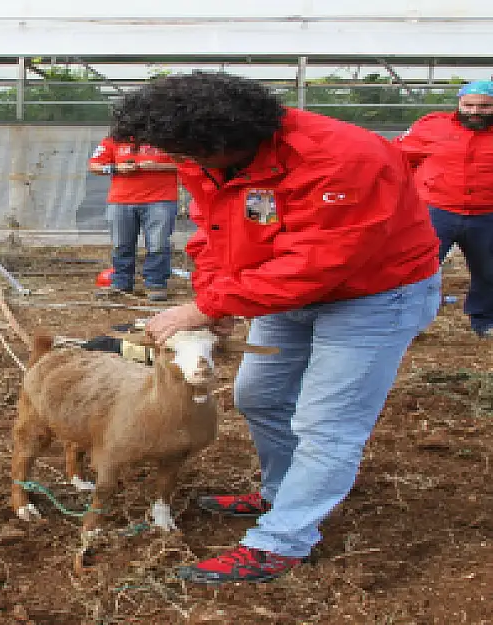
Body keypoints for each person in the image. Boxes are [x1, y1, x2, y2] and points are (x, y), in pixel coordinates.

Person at [111, 72, 442, 584]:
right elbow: (216, 230)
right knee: (260, 396)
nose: (186, 163)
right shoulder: (213, 158)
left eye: (190, 153)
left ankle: (282, 541)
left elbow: (318, 262)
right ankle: (281, 492)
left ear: (227, 141)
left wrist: (207, 308)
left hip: (374, 295)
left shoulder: (342, 160)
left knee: (327, 424)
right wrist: (214, 296)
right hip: (281, 290)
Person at [394, 80, 493, 339]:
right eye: (469, 105)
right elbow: (398, 157)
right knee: (418, 268)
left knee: (488, 270)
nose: (475, 111)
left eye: (484, 106)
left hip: (487, 214)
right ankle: (407, 323)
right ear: (459, 103)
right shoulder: (431, 127)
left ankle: (484, 321)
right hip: (436, 210)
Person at [88, 136, 179, 301]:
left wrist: (159, 167)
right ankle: (121, 284)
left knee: (158, 244)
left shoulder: (169, 138)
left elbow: (188, 166)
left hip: (161, 200)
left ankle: (155, 284)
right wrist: (116, 168)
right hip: (121, 201)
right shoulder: (113, 140)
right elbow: (94, 166)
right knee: (121, 245)